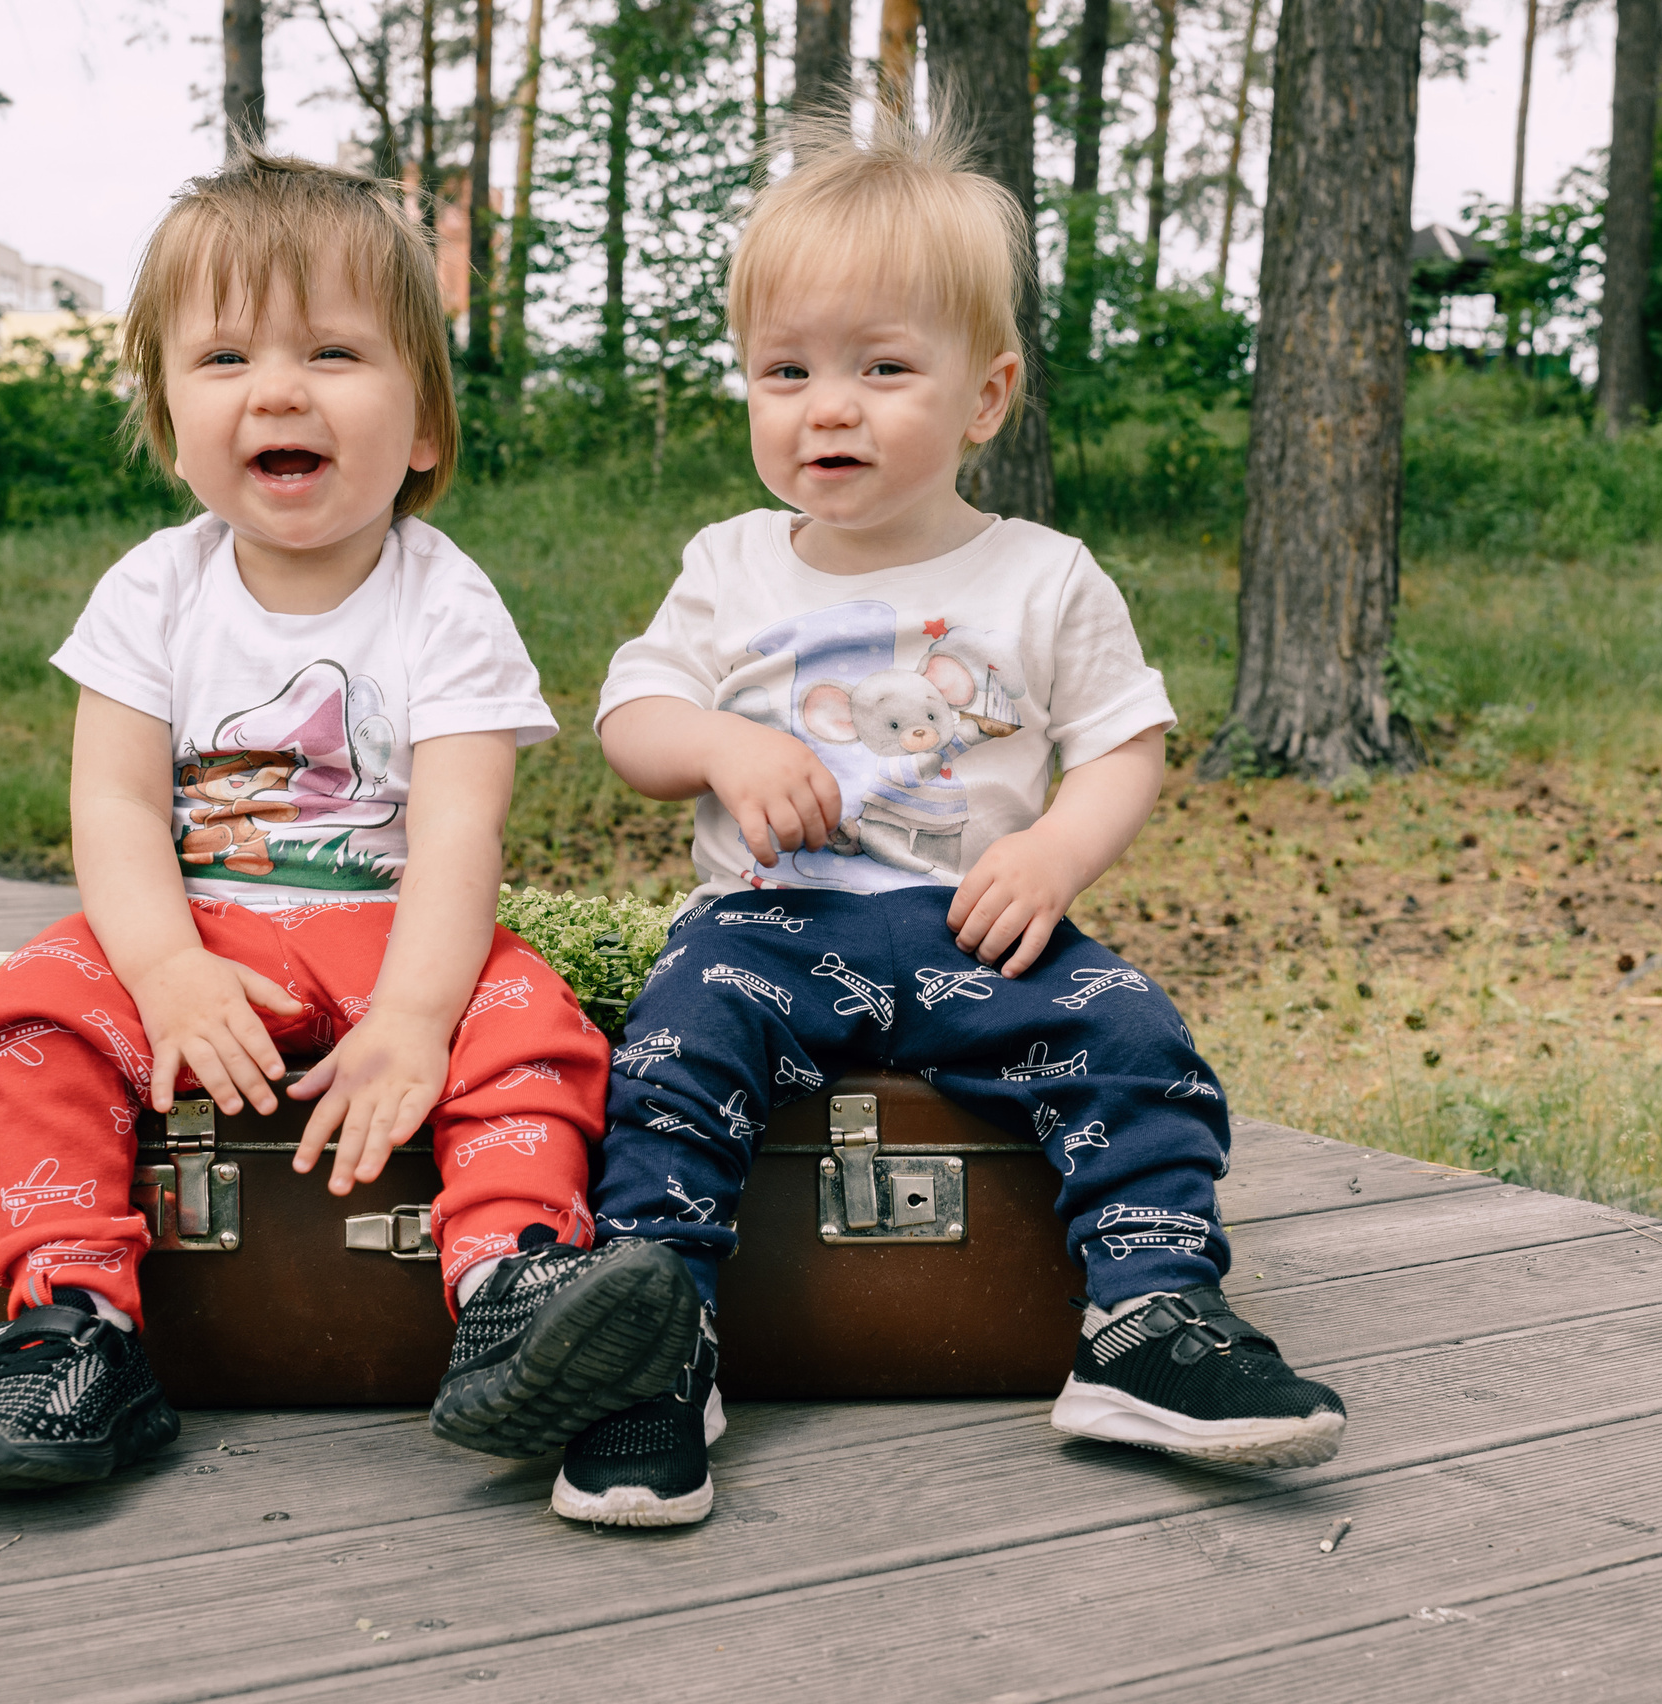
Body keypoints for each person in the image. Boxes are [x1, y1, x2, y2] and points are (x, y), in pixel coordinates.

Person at [456, 116, 1347, 1525]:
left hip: (974, 927)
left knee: (1129, 1033)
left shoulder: (1042, 578)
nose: (829, 408)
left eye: (883, 369)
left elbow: (1126, 742)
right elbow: (634, 720)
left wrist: (1053, 848)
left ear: (985, 397)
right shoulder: (731, 564)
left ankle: (1150, 1320)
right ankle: (656, 1351)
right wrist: (725, 745)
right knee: (671, 1053)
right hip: (767, 929)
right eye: (787, 371)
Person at [0, 152, 700, 1497]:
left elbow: (462, 833)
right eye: (224, 356)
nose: (279, 388)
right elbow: (113, 802)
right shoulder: (153, 592)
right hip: (201, 929)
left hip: (393, 931)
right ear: (171, 421)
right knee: (26, 1019)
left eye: (335, 352)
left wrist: (414, 1019)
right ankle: (78, 1326)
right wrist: (163, 970)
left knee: (535, 1033)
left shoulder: (441, 601)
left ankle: (512, 1288)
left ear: (421, 432)